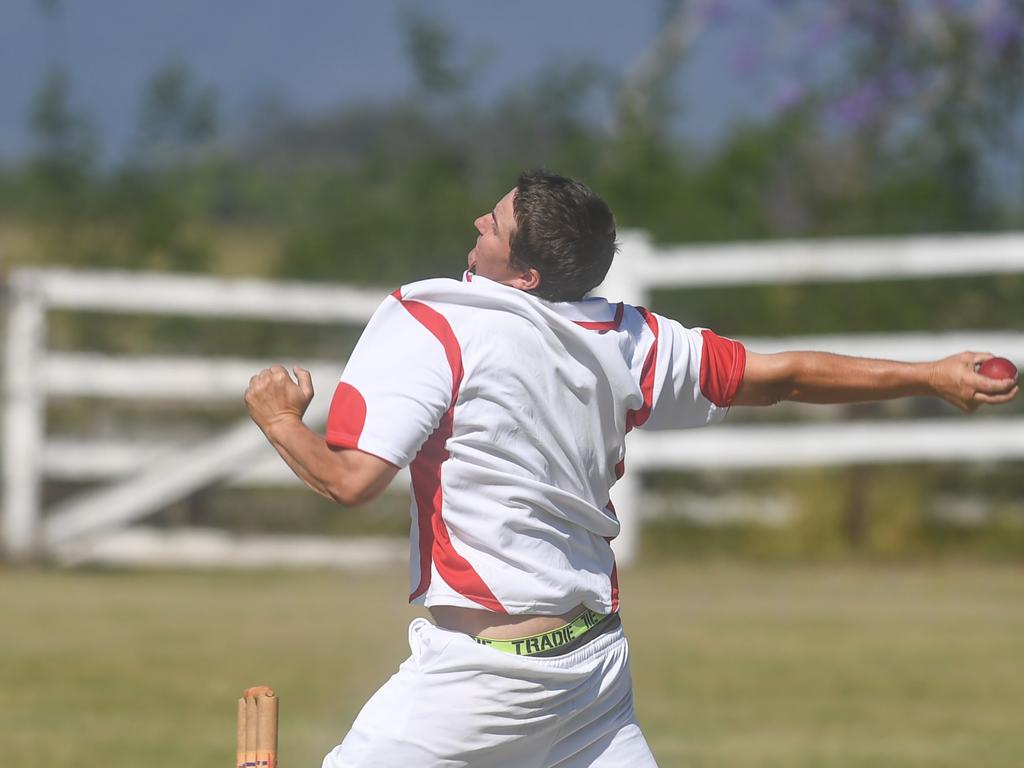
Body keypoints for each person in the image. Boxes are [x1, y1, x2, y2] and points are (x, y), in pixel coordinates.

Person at [244, 170, 1019, 768]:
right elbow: (783, 375)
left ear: (525, 278)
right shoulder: (630, 339)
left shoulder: (436, 318)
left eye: (495, 224)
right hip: (590, 675)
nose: (477, 222)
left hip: (484, 679)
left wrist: (280, 418)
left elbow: (350, 480)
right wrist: (932, 374)